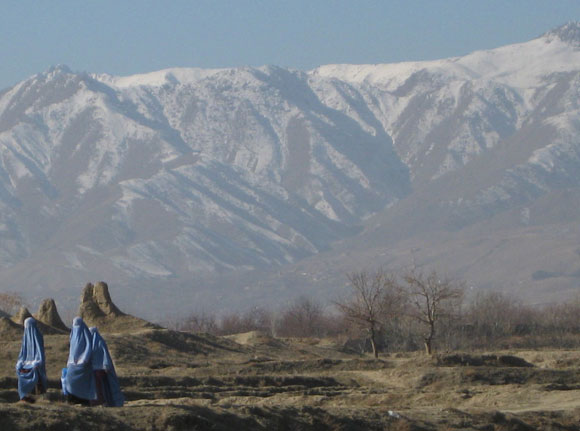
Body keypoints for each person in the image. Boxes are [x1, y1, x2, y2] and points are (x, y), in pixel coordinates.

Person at [62, 317, 96, 405]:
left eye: (77, 325)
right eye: (74, 325)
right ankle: (72, 399)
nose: (76, 327)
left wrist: (83, 359)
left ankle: (83, 400)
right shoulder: (73, 335)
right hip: (72, 364)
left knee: (82, 383)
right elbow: (72, 350)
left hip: (83, 364)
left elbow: (88, 348)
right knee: (70, 380)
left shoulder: (86, 335)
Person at [16, 317, 48, 403]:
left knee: (34, 371)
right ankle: (25, 397)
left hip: (36, 364)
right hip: (26, 363)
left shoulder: (38, 337)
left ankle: (37, 397)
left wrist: (35, 363)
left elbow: (40, 355)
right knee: (21, 371)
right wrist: (20, 363)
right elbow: (22, 354)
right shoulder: (25, 338)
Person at [89, 327, 124, 407]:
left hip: (101, 370)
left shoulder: (99, 342)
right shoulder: (90, 343)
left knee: (104, 386)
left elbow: (105, 354)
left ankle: (106, 401)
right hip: (94, 370)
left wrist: (105, 366)